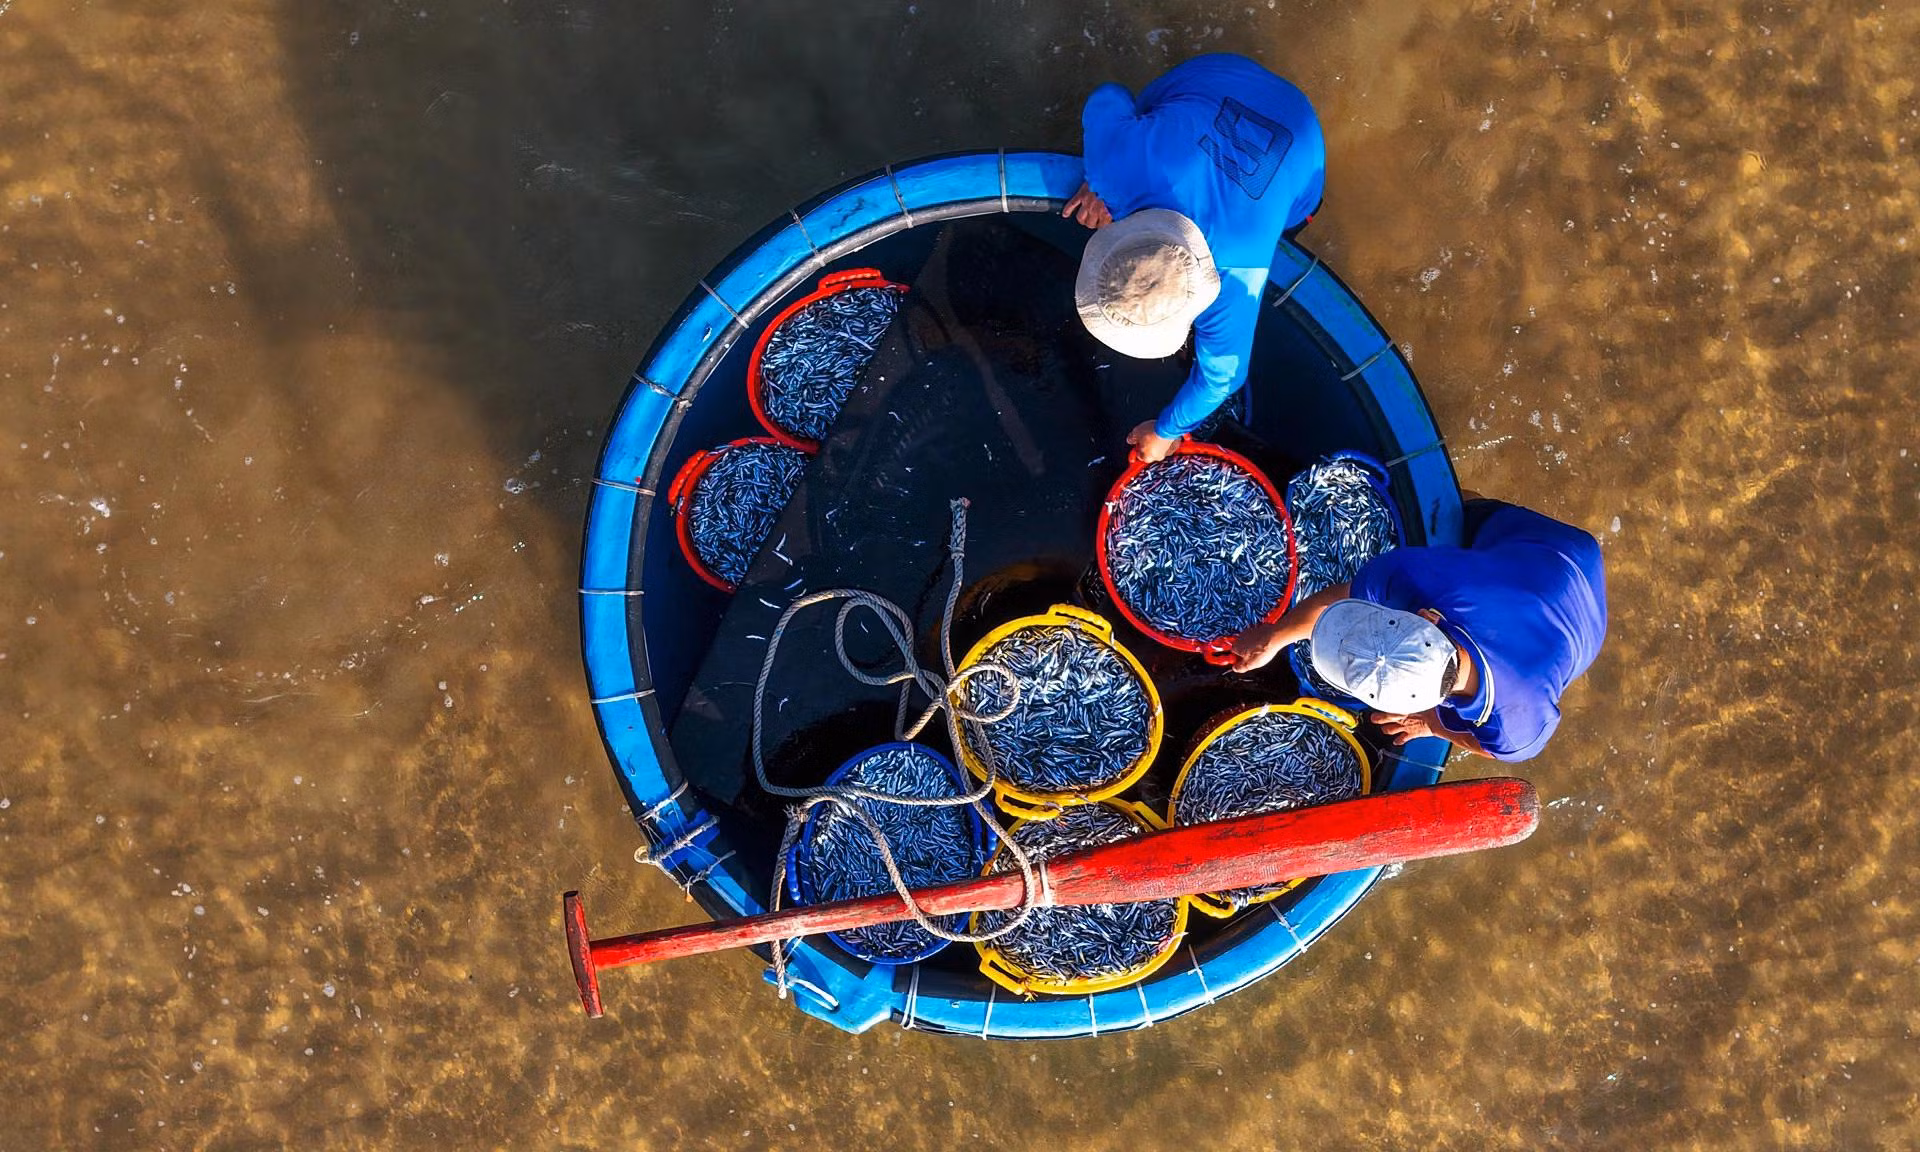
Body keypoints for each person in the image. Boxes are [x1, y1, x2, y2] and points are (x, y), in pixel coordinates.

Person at [1064, 53, 1326, 462]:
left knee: (1292, 210)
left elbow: (1226, 376)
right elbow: (1108, 95)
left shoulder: (1237, 278)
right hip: (1246, 88)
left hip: (1292, 130)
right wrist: (1098, 178)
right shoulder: (1114, 164)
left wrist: (1166, 430)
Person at [1229, 500, 1608, 762]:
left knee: (1464, 527)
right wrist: (1276, 637)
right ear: (1428, 617)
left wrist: (1434, 725)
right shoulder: (1418, 578)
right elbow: (1337, 599)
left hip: (1577, 612)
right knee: (1463, 512)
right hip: (1553, 553)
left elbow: (1489, 748)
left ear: (1428, 617)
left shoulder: (1517, 729)